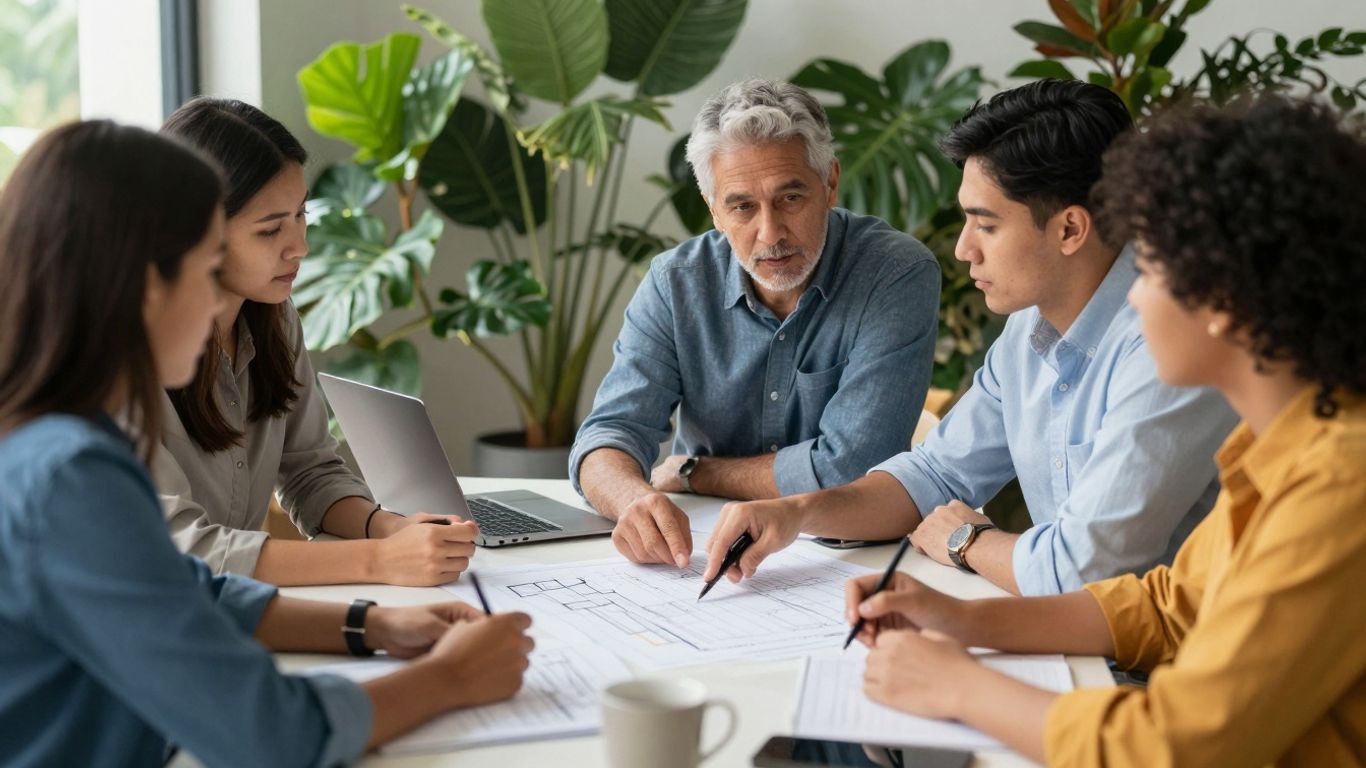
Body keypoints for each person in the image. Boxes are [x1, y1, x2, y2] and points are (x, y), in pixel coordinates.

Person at [843, 95, 1366, 766]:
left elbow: (1179, 746)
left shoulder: (1338, 484)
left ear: (1229, 301)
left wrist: (961, 685)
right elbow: (1167, 608)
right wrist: (962, 619)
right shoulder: (1286, 446)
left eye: (1152, 268)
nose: (1136, 294)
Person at [0, 120, 533, 766]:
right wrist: (453, 679)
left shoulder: (53, 436)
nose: (216, 299)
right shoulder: (71, 477)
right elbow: (271, 734)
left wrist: (370, 624)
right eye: (204, 270)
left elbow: (184, 588)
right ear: (146, 289)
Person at [704, 80, 1238, 595]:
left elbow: (1082, 572)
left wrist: (966, 539)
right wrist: (797, 511)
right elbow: (934, 474)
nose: (963, 249)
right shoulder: (1029, 329)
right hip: (1081, 637)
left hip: (1174, 664)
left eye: (986, 225)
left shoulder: (1170, 345)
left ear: (1070, 229)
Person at [571, 79, 941, 568]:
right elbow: (607, 436)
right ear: (714, 210)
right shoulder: (675, 282)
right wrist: (633, 502)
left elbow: (850, 470)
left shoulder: (895, 273)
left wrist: (697, 473)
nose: (770, 233)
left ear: (830, 183)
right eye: (742, 206)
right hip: (700, 552)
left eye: (790, 199)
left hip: (846, 557)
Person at [154, 98, 477, 586]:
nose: (300, 246)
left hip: (227, 613)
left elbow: (309, 472)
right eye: (270, 230)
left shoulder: (273, 317)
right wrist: (380, 561)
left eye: (301, 214)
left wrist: (391, 529)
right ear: (198, 231)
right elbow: (179, 552)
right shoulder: (118, 353)